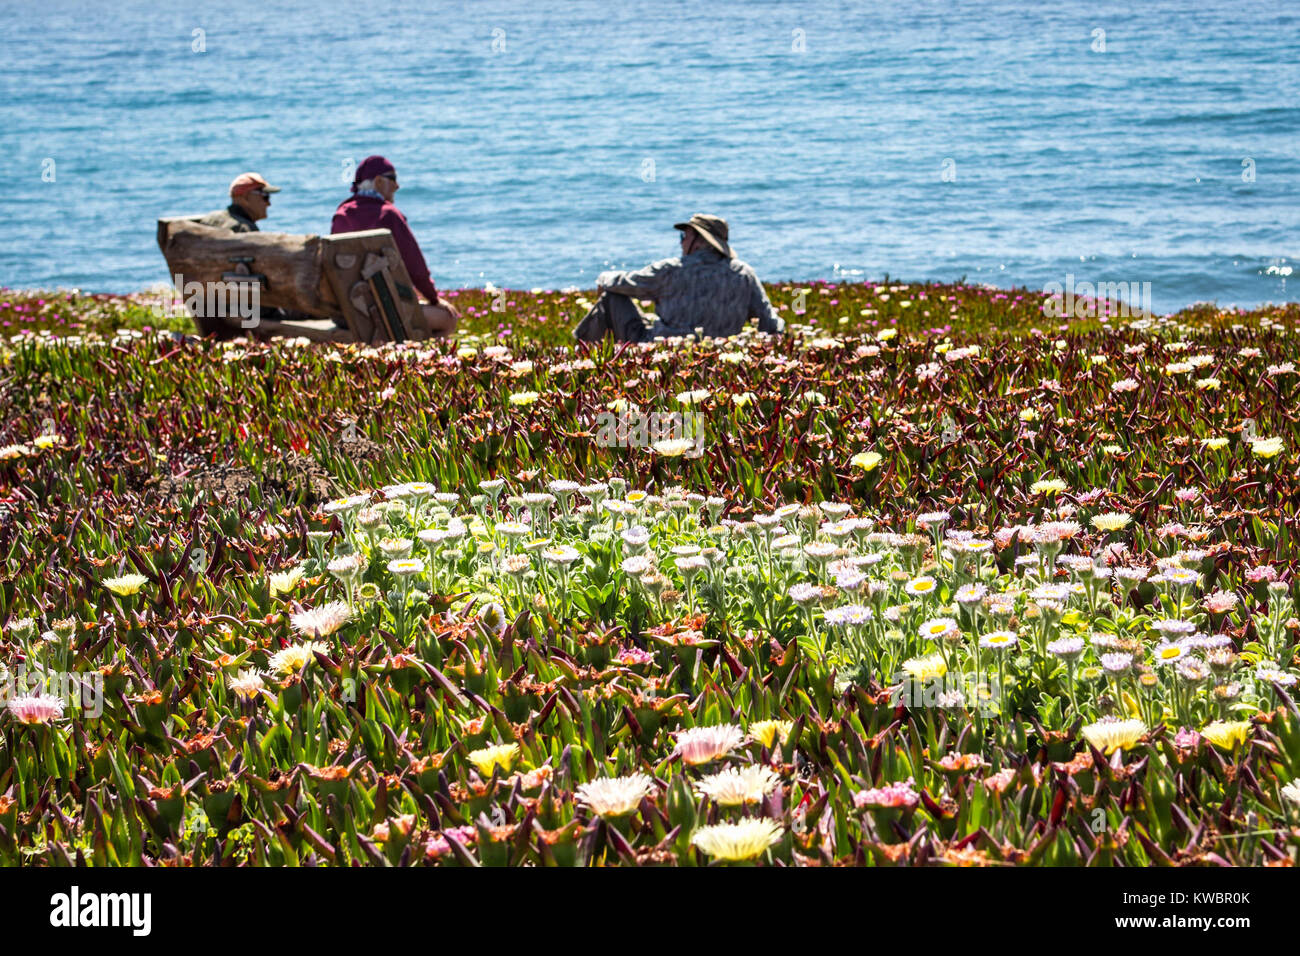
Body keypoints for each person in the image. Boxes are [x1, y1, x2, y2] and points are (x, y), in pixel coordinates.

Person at [573, 213, 785, 342]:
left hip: (660, 351)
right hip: (721, 354)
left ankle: (583, 358)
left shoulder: (671, 270)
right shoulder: (743, 274)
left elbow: (622, 283)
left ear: (700, 241)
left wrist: (603, 278)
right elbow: (771, 324)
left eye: (685, 237)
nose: (682, 243)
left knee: (613, 297)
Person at [331, 155, 458, 338]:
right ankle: (421, 360)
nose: (397, 186)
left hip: (347, 314)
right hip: (387, 314)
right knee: (448, 318)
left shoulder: (341, 214)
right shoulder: (389, 215)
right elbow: (416, 268)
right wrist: (434, 299)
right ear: (378, 181)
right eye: (393, 179)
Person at [197, 172, 280, 232]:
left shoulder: (211, 218)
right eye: (265, 197)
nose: (269, 204)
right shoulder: (245, 230)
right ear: (245, 198)